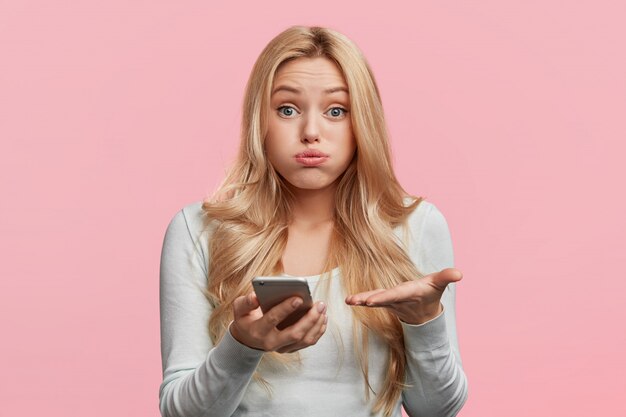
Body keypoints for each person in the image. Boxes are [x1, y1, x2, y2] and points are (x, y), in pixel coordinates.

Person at [158, 25, 468, 417]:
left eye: (336, 111)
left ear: (362, 124)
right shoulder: (198, 230)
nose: (310, 133)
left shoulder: (415, 226)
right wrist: (242, 345)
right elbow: (179, 410)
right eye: (287, 110)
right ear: (260, 122)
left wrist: (426, 323)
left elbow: (436, 410)